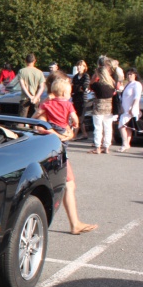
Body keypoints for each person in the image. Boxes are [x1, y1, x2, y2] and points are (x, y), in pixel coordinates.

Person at [33, 74, 97, 235]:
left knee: (69, 184)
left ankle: (74, 223)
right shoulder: (53, 104)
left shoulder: (47, 104)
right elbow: (38, 127)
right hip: (54, 150)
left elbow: (39, 123)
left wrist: (67, 134)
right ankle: (73, 224)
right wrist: (61, 134)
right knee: (67, 184)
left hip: (56, 147)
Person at [89, 62, 117, 154]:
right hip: (109, 107)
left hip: (98, 107)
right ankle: (106, 147)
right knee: (108, 127)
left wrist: (93, 77)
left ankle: (97, 147)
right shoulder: (111, 84)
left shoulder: (97, 85)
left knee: (98, 127)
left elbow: (90, 86)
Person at [117, 68, 141, 152]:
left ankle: (125, 143)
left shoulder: (136, 84)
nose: (129, 76)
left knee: (121, 126)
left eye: (131, 74)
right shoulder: (128, 84)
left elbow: (137, 97)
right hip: (125, 109)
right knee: (128, 127)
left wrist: (133, 107)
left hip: (130, 109)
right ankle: (127, 143)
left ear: (135, 75)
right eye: (128, 74)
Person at [17, 53, 45, 118]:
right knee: (35, 120)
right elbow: (42, 87)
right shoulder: (39, 72)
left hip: (24, 98)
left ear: (25, 61)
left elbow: (22, 85)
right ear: (34, 61)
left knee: (21, 120)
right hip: (36, 99)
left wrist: (30, 96)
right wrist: (35, 97)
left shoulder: (21, 71)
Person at [71, 60, 91, 140]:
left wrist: (77, 88)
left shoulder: (86, 76)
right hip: (75, 98)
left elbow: (84, 87)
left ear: (84, 67)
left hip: (83, 99)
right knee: (77, 116)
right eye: (78, 65)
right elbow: (73, 88)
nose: (79, 67)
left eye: (81, 65)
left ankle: (75, 135)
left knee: (80, 118)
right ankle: (84, 133)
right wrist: (76, 88)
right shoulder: (75, 77)